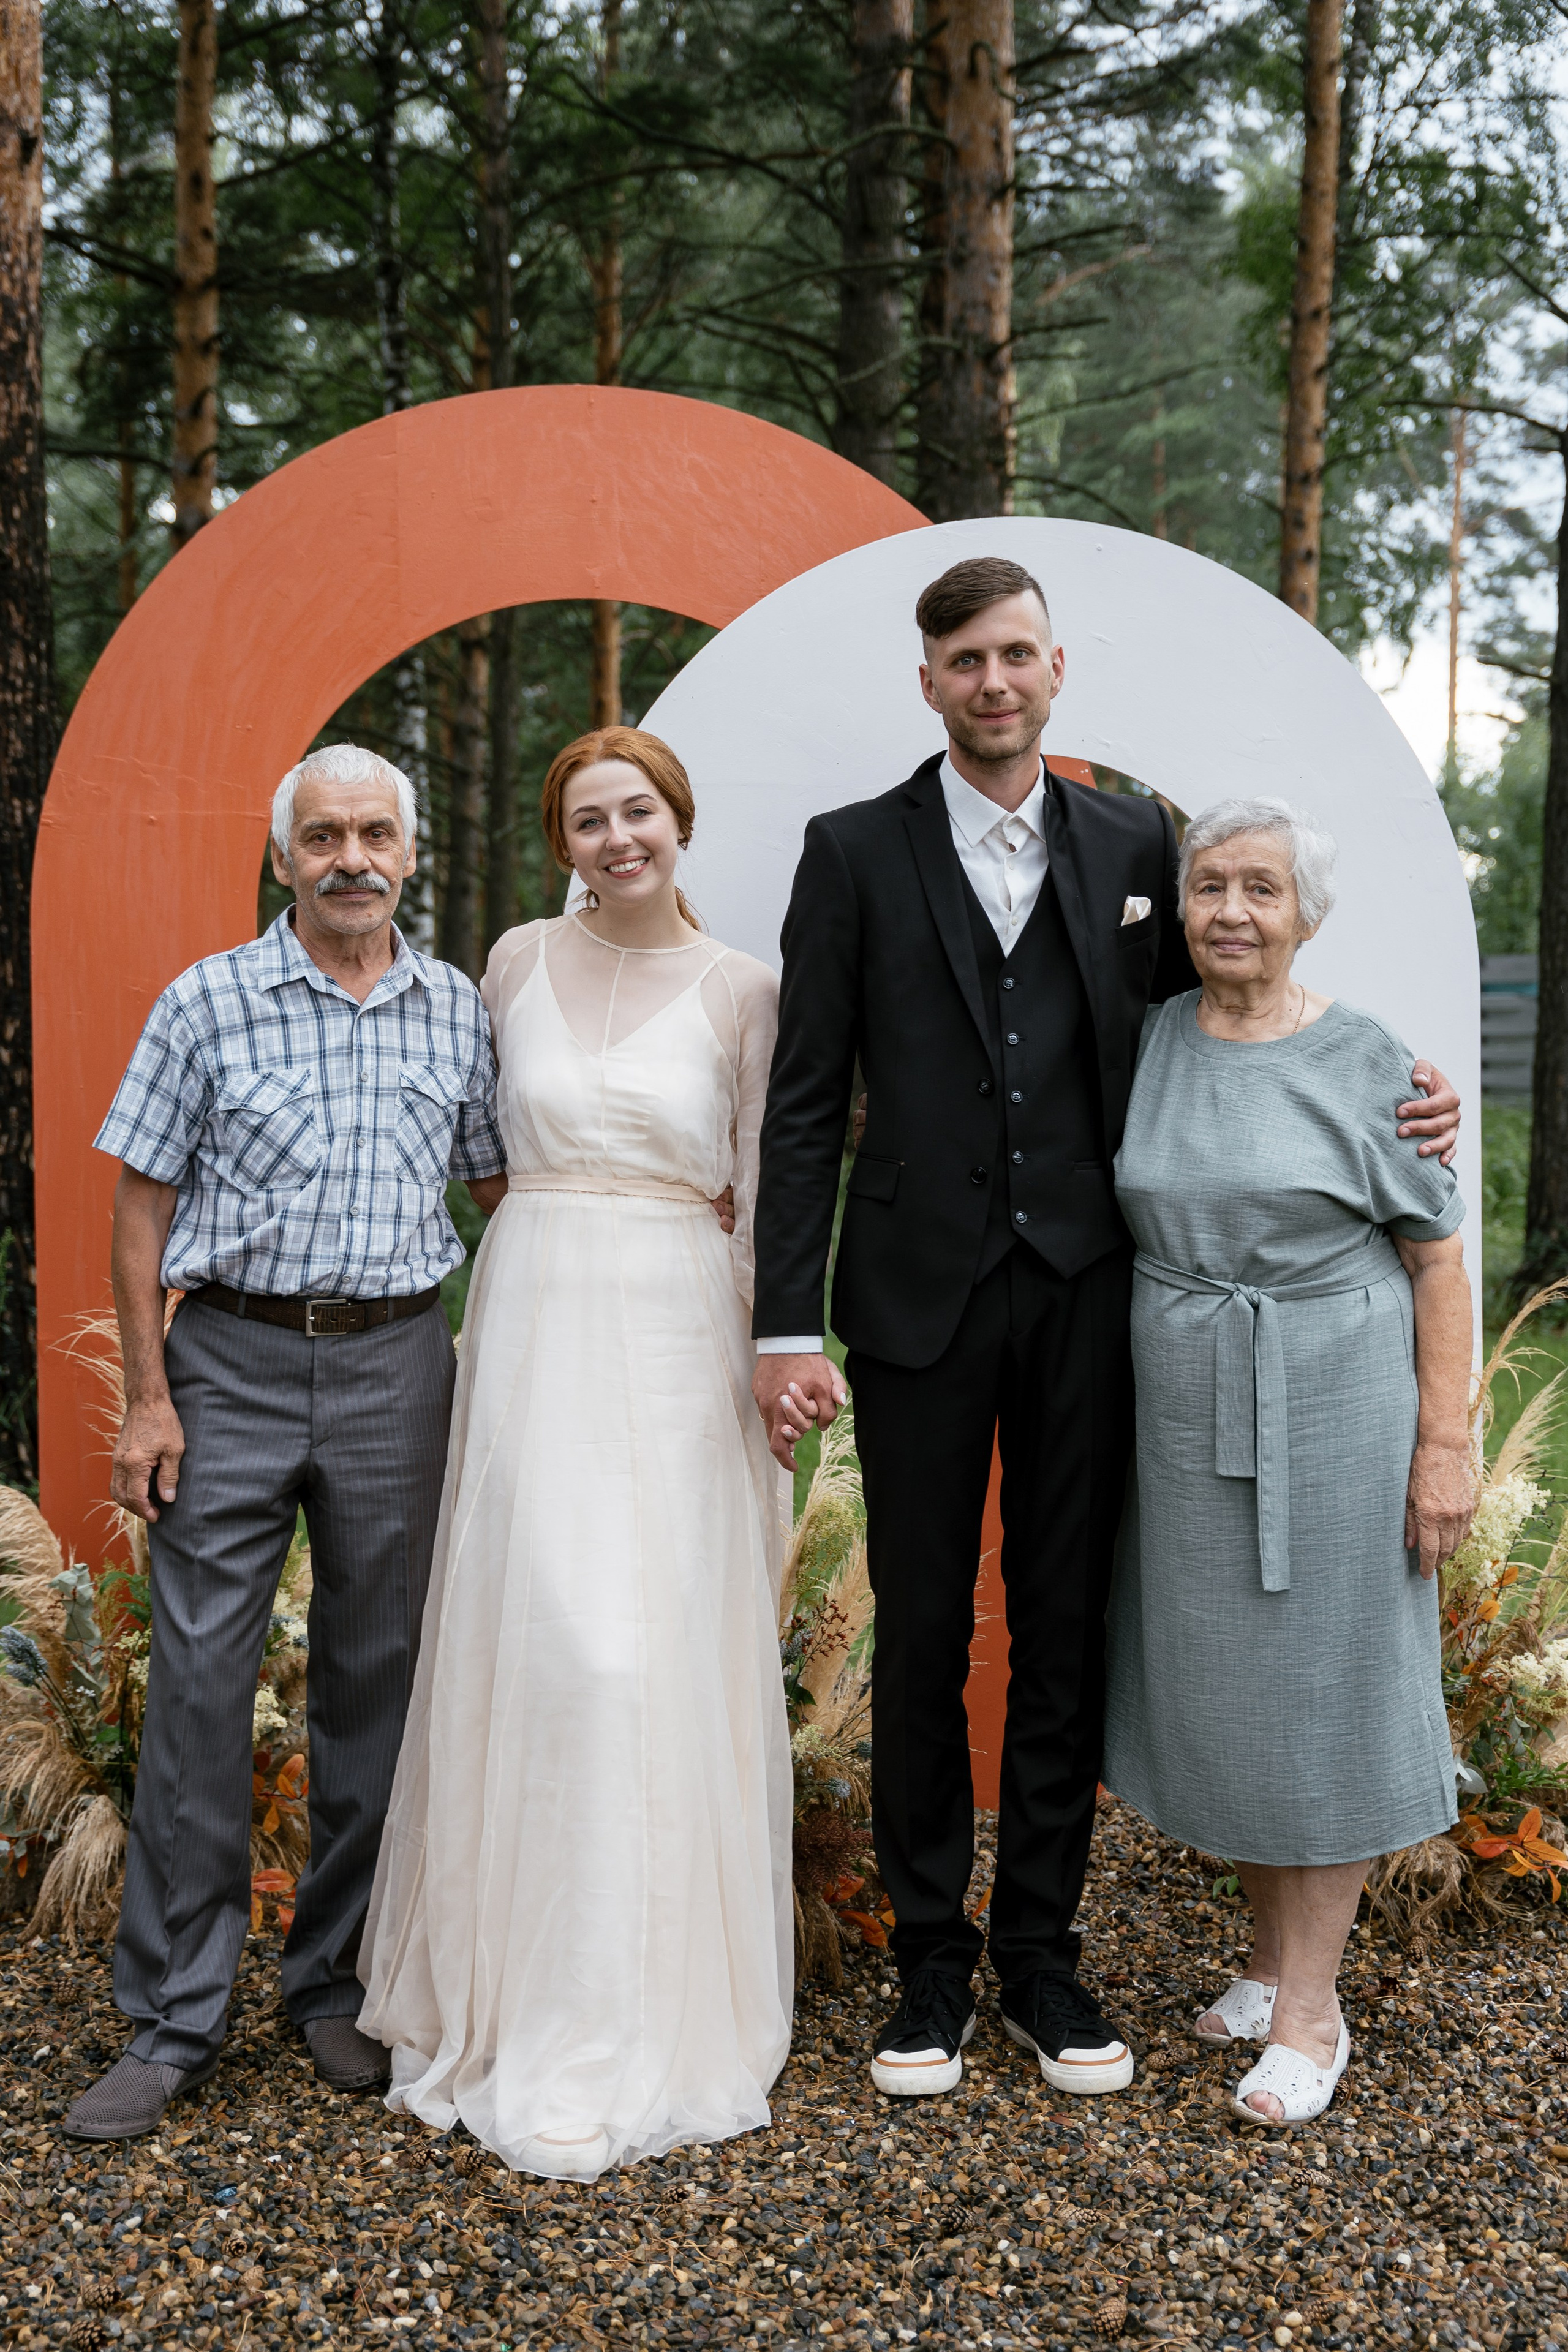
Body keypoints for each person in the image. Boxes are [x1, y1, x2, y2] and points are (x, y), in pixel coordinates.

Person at [750, 554, 1463, 2103]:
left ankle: (1042, 1959)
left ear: (1055, 672)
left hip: (1094, 1297)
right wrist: (778, 1325)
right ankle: (929, 1964)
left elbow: (1232, 1016)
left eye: (1016, 656)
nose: (991, 683)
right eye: (962, 661)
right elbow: (806, 1105)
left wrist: (1396, 1090)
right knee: (924, 1630)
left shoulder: (1139, 838)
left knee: (1066, 1628)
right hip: (914, 1302)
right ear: (928, 682)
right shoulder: (851, 851)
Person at [358, 726, 793, 2182]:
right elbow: (487, 1145)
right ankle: (508, 1993)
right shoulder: (511, 963)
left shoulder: (746, 989)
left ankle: (641, 2008)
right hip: (535, 1310)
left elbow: (761, 1180)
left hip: (678, 1331)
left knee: (641, 1651)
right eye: (588, 818)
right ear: (563, 840)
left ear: (679, 822)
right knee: (540, 1641)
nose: (616, 838)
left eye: (639, 813)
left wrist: (766, 1357)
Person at [66, 745, 508, 2143]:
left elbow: (506, 1190)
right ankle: (176, 2015)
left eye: (376, 832)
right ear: (283, 859)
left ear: (410, 852)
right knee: (199, 1685)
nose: (351, 858)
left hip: (397, 1361)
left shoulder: (457, 1012)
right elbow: (139, 1206)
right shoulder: (207, 1001)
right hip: (233, 1361)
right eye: (323, 836)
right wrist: (148, 1395)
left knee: (377, 1691)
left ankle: (335, 1983)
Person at [1103, 797, 1474, 2127]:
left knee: (1323, 1688)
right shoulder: (1149, 1039)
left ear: (1302, 912)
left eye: (1260, 888)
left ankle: (1314, 2010)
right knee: (1231, 1689)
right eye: (1208, 887)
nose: (1231, 912)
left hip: (1333, 1401)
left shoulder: (1366, 1058)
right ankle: (1263, 1964)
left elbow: (1435, 1258)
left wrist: (1443, 1444)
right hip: (1184, 1412)